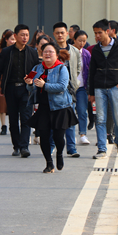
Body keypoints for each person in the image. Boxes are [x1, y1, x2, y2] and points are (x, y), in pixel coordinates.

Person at [25, 42, 78, 173]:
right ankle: (49, 163)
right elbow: (31, 88)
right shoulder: (37, 68)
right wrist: (30, 83)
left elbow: (62, 86)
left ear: (56, 54)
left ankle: (59, 154)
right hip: (43, 107)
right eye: (45, 52)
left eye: (50, 52)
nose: (47, 54)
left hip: (60, 107)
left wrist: (45, 85)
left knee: (58, 137)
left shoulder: (61, 68)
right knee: (43, 136)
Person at [0, 24, 39, 158]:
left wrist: (32, 81)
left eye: (27, 35)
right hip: (10, 89)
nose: (25, 38)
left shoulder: (32, 52)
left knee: (26, 118)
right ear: (15, 36)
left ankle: (24, 146)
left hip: (26, 89)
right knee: (13, 119)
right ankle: (16, 146)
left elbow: (36, 70)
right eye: (22, 35)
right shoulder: (6, 52)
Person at [88, 19, 118, 159]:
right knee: (100, 119)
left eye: (99, 32)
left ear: (108, 31)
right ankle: (102, 149)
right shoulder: (96, 49)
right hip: (99, 88)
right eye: (95, 33)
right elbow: (92, 71)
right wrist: (91, 92)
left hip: (115, 87)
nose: (97, 36)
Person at [52, 22, 81, 158]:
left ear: (67, 34)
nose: (60, 35)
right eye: (57, 32)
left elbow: (78, 69)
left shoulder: (74, 51)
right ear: (54, 34)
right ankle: (52, 146)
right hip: (53, 90)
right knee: (54, 121)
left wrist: (75, 84)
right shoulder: (51, 50)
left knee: (70, 119)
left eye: (62, 32)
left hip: (69, 91)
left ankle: (71, 148)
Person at [0, 29, 15, 135]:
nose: (13, 41)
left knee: (12, 106)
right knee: (2, 105)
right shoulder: (0, 52)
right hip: (2, 82)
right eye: (11, 39)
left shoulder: (18, 51)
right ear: (6, 40)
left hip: (13, 82)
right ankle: (3, 125)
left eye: (15, 39)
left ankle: (12, 125)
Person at [72, 30, 91, 145]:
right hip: (70, 87)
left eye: (84, 41)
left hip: (82, 87)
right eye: (80, 40)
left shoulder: (86, 54)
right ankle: (70, 135)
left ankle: (83, 134)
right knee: (70, 112)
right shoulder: (69, 52)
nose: (82, 43)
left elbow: (88, 71)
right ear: (74, 40)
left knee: (82, 111)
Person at [32, 34, 51, 145]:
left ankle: (41, 134)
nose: (44, 47)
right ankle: (36, 134)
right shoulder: (33, 57)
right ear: (37, 45)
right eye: (42, 45)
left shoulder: (50, 58)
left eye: (46, 45)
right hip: (35, 89)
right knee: (35, 112)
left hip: (47, 89)